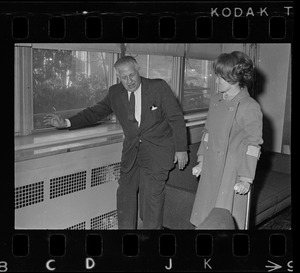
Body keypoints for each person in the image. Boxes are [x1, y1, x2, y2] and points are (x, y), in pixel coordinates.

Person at [44, 55, 188, 229]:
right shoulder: (115, 93)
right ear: (118, 77)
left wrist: (181, 149)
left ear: (138, 71)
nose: (129, 81)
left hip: (157, 153)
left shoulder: (158, 87)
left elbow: (176, 118)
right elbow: (94, 112)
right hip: (132, 155)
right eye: (124, 77)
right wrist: (66, 122)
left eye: (132, 75)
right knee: (124, 197)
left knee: (151, 203)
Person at [190, 51, 263, 229]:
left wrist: (246, 179)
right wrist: (201, 161)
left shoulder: (250, 107)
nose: (216, 81)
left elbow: (253, 146)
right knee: (205, 220)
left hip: (232, 173)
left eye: (220, 78)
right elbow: (207, 133)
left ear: (234, 79)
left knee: (223, 222)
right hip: (211, 169)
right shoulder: (216, 100)